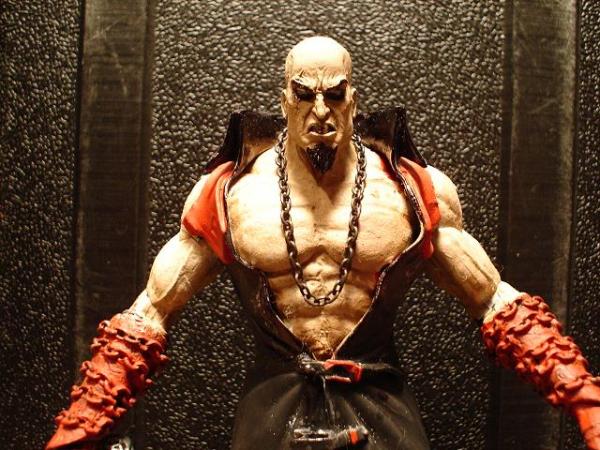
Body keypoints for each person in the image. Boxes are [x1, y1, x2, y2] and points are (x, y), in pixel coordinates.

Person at [46, 36, 600, 450]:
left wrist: (586, 402)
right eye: (304, 95)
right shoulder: (230, 194)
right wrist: (79, 429)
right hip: (273, 403)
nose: (320, 113)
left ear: (352, 99)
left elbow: (496, 301)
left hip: (379, 397)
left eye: (334, 96)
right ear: (284, 99)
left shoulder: (412, 192)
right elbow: (150, 313)